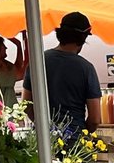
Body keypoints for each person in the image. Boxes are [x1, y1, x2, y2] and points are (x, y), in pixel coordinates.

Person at [44, 10, 102, 144]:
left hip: (43, 141)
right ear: (83, 38)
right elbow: (94, 119)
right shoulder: (86, 68)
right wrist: (82, 131)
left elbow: (27, 103)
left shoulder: (39, 62)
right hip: (74, 142)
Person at [0, 34, 24, 105]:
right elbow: (21, 73)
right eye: (3, 45)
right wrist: (23, 44)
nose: (6, 47)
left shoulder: (3, 64)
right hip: (5, 112)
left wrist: (19, 45)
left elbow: (18, 66)